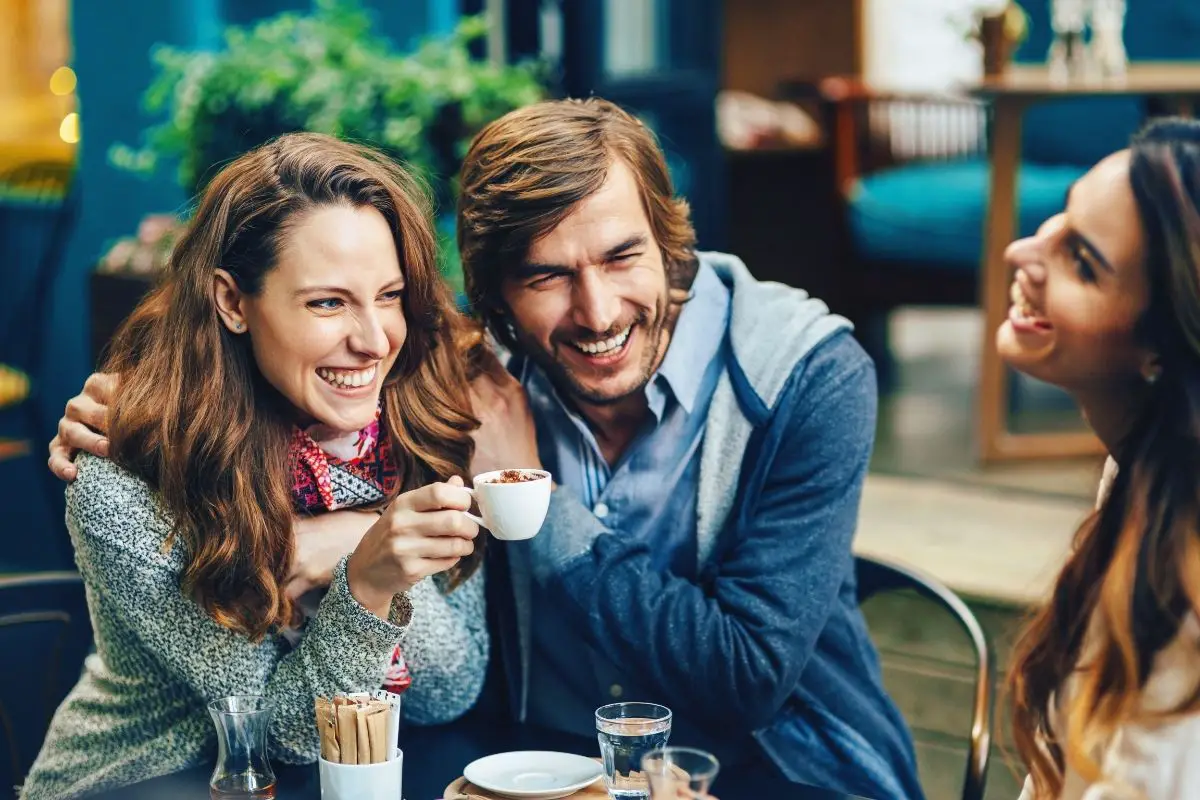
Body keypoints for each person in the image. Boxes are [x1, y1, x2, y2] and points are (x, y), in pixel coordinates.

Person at [50, 99, 922, 800]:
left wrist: (516, 497)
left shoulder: (810, 375)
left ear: (671, 241)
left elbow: (747, 675)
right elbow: (287, 715)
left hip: (784, 763)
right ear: (496, 297)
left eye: (625, 256)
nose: (598, 313)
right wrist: (122, 412)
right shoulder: (457, 377)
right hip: (519, 762)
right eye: (546, 275)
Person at [24, 133, 489, 799]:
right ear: (233, 302)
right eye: (327, 302)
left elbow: (450, 690)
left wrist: (360, 538)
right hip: (143, 783)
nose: (373, 339)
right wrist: (367, 571)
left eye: (388, 295)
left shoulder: (416, 422)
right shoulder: (123, 477)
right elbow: (279, 734)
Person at [1001, 118, 1200, 798]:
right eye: (1059, 219)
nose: (1021, 251)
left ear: (1162, 348)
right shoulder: (1137, 476)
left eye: (1081, 262)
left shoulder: (1184, 623)